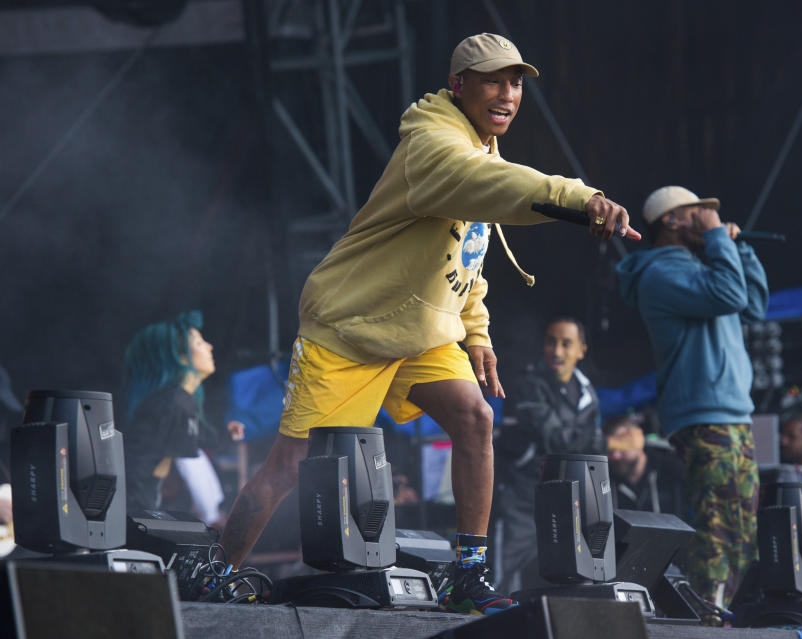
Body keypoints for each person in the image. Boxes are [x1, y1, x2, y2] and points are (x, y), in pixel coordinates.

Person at [218, 33, 635, 615]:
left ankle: (468, 573)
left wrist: (479, 332)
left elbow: (467, 258)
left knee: (475, 419)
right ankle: (214, 573)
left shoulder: (481, 151)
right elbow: (494, 187)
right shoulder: (432, 144)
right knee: (289, 466)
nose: (508, 94)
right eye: (493, 80)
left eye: (516, 83)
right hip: (350, 326)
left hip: (418, 331)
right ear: (458, 85)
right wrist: (580, 197)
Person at [616, 185, 768, 608]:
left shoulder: (699, 267)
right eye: (699, 213)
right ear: (672, 220)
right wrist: (720, 239)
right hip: (703, 415)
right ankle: (704, 618)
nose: (709, 220)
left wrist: (742, 250)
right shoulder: (661, 274)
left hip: (732, 412)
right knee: (719, 520)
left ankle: (714, 610)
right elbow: (730, 295)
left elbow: (752, 305)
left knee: (741, 525)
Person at [493, 317, 602, 591]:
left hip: (567, 500)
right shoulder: (527, 384)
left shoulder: (588, 392)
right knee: (506, 574)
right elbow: (557, 441)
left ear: (581, 350)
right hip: (521, 498)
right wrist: (598, 439)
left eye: (566, 344)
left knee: (567, 574)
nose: (557, 350)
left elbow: (596, 452)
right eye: (551, 342)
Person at [122, 311, 243, 523]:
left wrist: (227, 434)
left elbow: (200, 439)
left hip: (142, 502)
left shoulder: (178, 400)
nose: (209, 346)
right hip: (134, 506)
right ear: (181, 357)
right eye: (199, 343)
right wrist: (213, 516)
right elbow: (191, 461)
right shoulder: (174, 403)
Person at [604, 414, 688, 519]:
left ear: (638, 442)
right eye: (610, 450)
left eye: (622, 447)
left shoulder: (672, 470)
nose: (615, 456)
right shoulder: (604, 481)